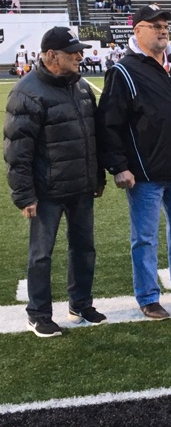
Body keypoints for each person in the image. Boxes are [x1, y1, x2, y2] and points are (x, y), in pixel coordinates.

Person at [96, 4, 171, 319]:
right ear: (137, 30)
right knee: (145, 239)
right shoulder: (123, 71)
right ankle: (148, 297)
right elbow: (109, 124)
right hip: (144, 174)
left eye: (165, 25)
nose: (163, 30)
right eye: (155, 25)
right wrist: (118, 166)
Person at [4, 27, 106, 337]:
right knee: (41, 254)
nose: (80, 56)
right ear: (52, 55)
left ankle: (81, 304)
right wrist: (24, 195)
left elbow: (93, 136)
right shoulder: (27, 92)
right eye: (72, 51)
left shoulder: (81, 86)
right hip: (46, 191)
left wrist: (97, 176)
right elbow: (17, 150)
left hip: (81, 187)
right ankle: (38, 314)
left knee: (84, 249)